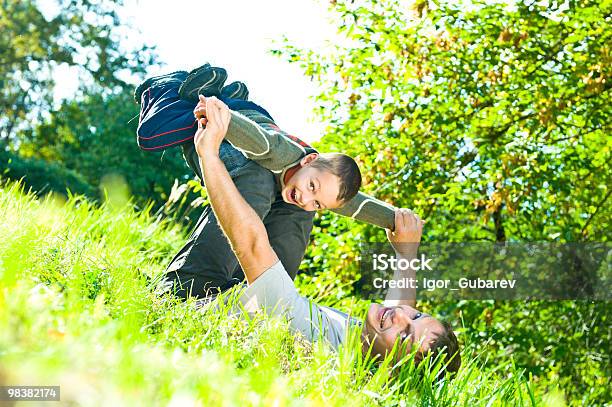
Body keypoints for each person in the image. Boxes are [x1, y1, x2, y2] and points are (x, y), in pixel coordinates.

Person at [195, 96, 461, 376]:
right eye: (417, 316)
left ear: (393, 368)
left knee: (260, 180)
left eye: (406, 335)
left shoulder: (311, 336)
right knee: (301, 203)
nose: (401, 314)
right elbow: (399, 308)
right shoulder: (367, 345)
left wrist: (209, 154)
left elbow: (251, 244)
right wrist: (407, 253)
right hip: (241, 291)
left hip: (195, 291)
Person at [135, 64, 397, 299]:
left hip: (253, 123)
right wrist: (221, 113)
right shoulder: (284, 152)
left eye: (318, 203)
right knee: (257, 181)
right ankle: (184, 287)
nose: (307, 198)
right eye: (312, 188)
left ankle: (255, 299)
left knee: (299, 215)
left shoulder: (317, 183)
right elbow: (256, 140)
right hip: (232, 134)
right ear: (308, 161)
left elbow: (354, 205)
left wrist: (395, 220)